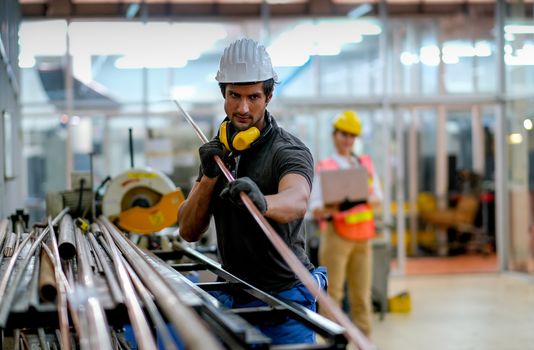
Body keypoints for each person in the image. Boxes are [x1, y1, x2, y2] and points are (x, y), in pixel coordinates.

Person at [177, 38, 326, 345]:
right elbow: (188, 229)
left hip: (286, 297)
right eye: (234, 96)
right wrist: (208, 177)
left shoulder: (287, 150)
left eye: (253, 97)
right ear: (223, 94)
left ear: (269, 96)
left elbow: (296, 199)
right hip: (234, 290)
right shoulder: (218, 152)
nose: (243, 108)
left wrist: (262, 202)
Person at [309, 110, 382, 337]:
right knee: (333, 295)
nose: (347, 139)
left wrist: (359, 198)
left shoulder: (365, 165)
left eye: (352, 135)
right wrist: (338, 206)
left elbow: (378, 198)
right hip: (336, 237)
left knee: (362, 296)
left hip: (363, 237)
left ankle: (364, 342)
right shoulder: (326, 168)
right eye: (343, 134)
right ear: (334, 135)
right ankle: (332, 342)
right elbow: (314, 208)